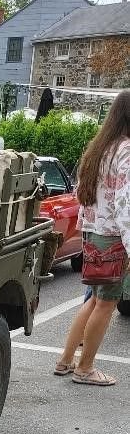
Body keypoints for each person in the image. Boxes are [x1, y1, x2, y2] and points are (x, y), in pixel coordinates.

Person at [55, 89, 130, 386]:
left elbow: (82, 194)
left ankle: (65, 360)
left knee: (94, 299)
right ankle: (84, 368)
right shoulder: (126, 150)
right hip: (112, 236)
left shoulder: (101, 147)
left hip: (92, 232)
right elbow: (126, 203)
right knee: (106, 304)